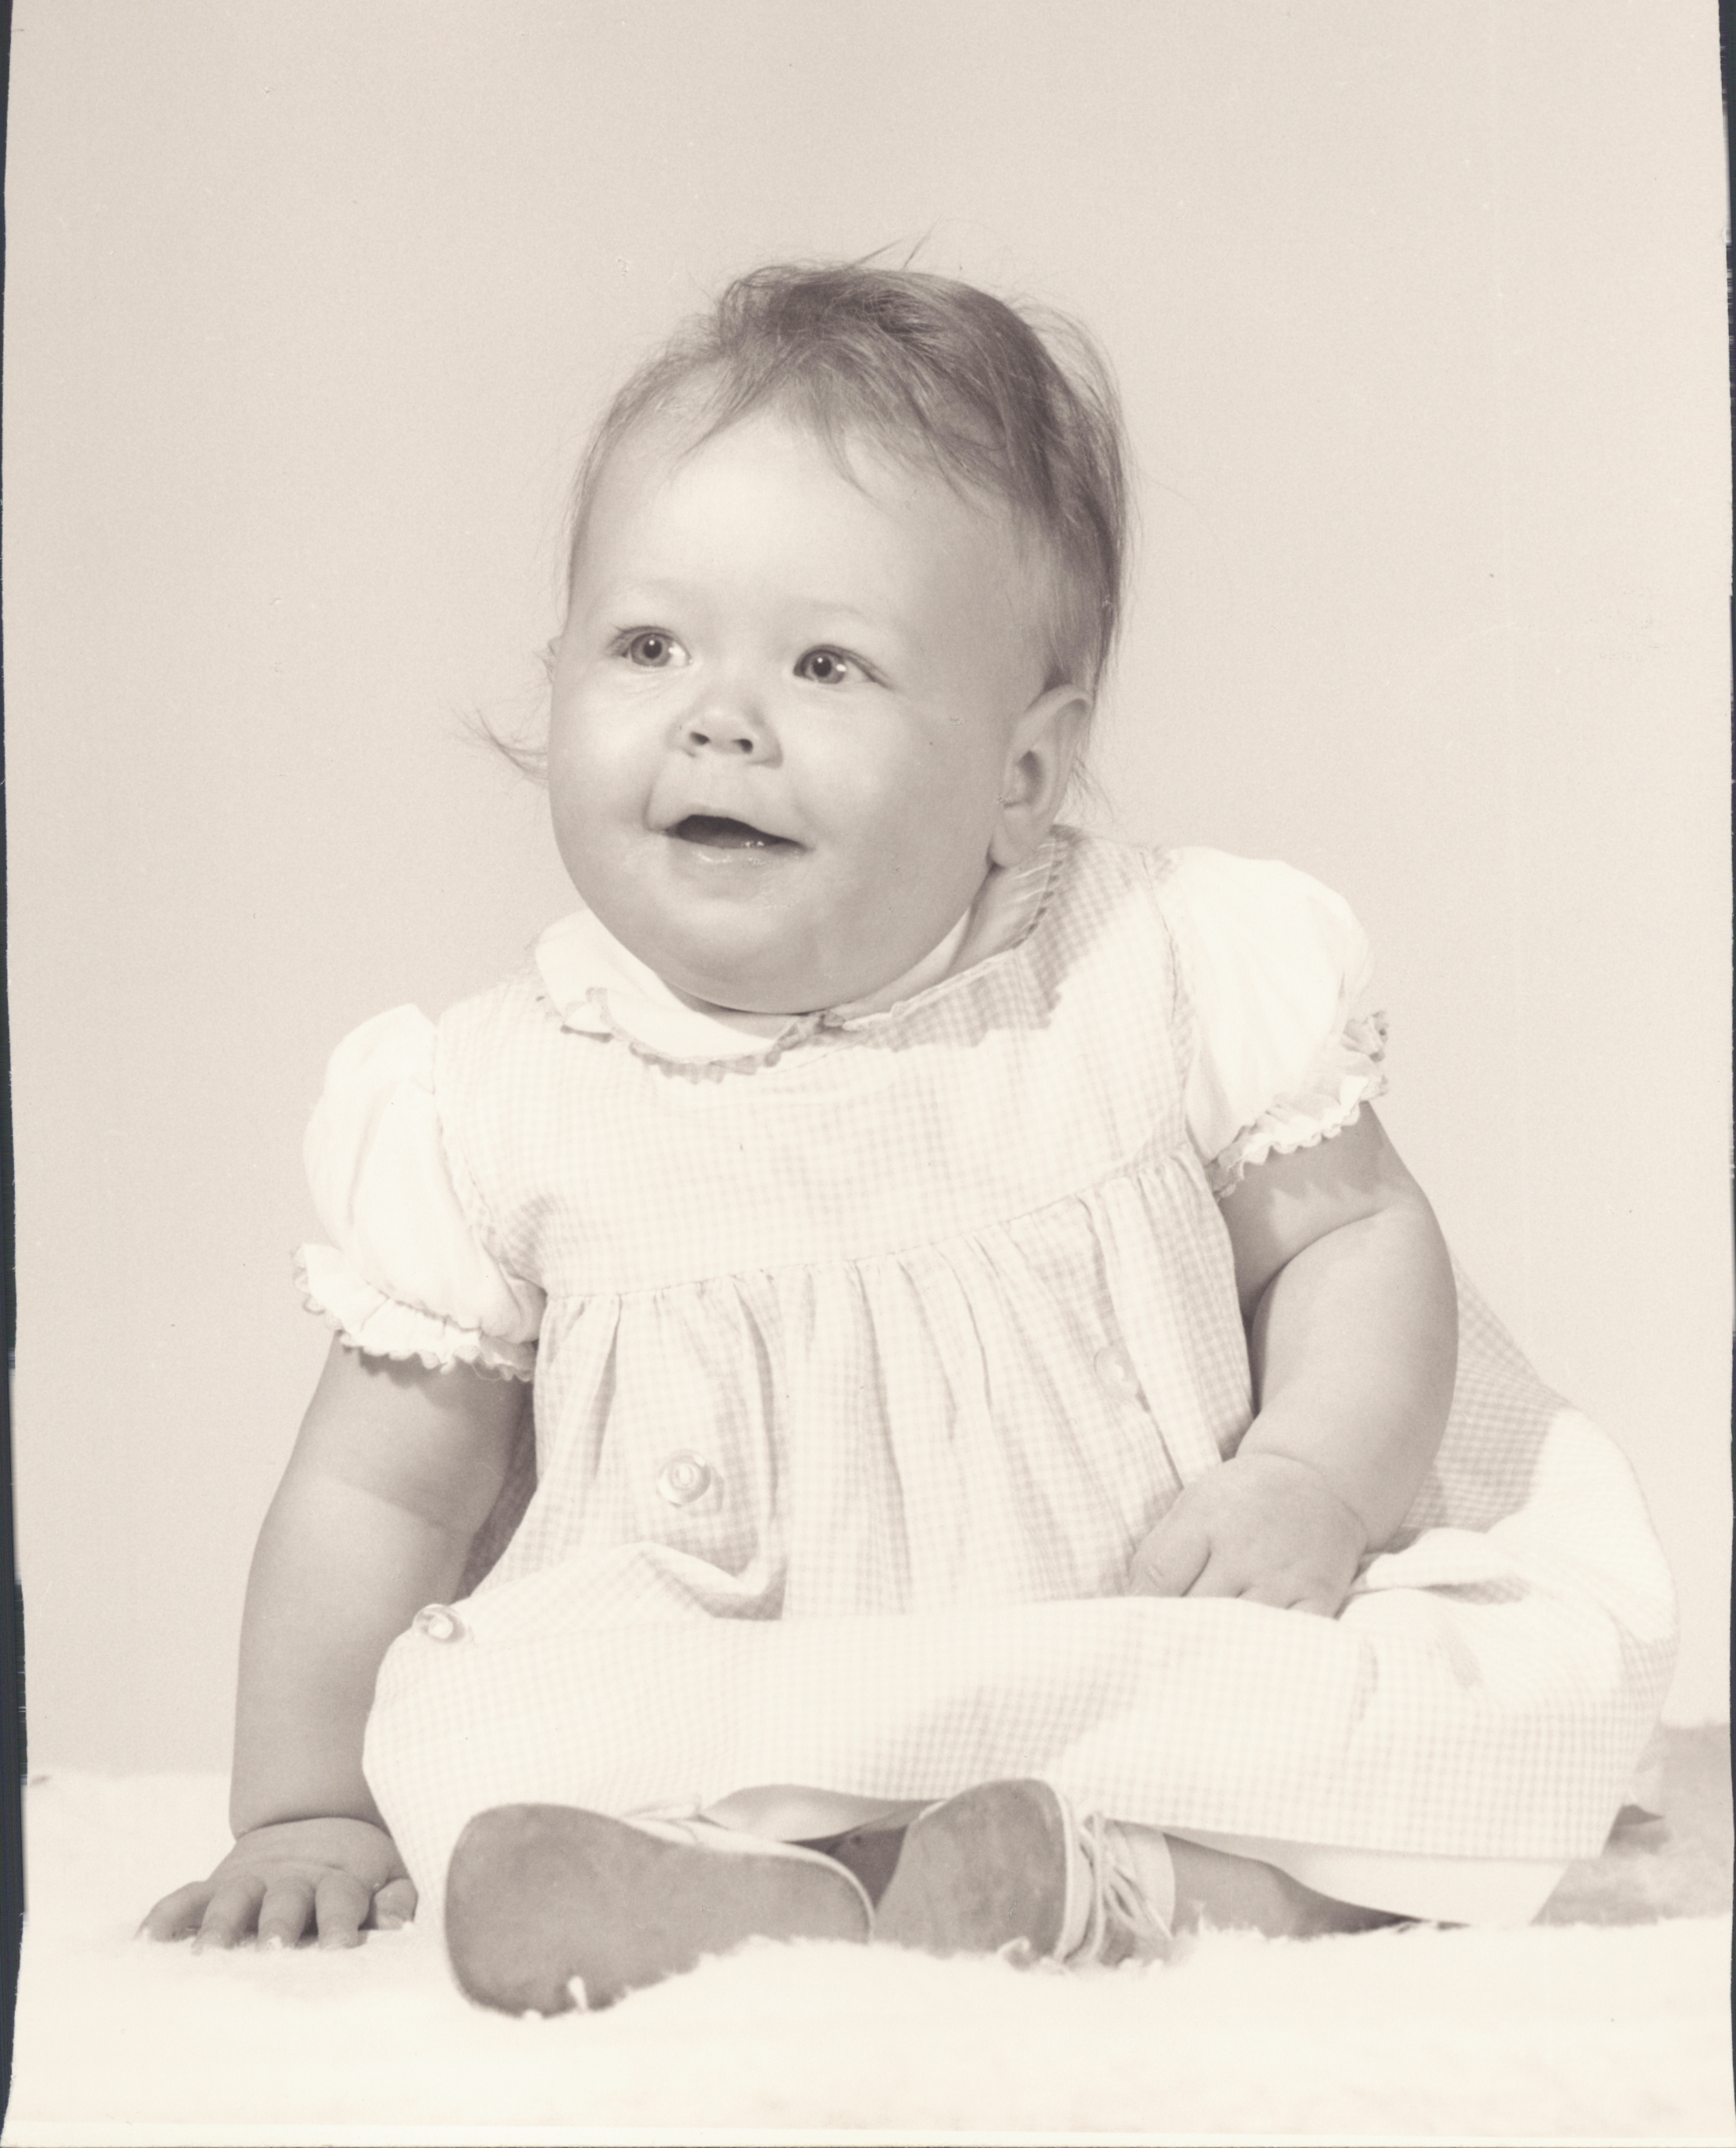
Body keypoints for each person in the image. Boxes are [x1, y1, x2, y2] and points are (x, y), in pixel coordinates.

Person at [143, 264, 1675, 2015]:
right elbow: (380, 1488)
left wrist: (1314, 1477)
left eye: (826, 664)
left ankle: (1140, 1881)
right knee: (526, 1724)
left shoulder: (1149, 970)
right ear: (555, 674)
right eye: (647, 646)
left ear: (1023, 774)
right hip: (735, 1692)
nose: (719, 715)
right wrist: (309, 1804)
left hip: (1139, 1649)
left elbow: (1349, 1233)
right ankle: (745, 1892)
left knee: (1404, 1723)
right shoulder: (495, 1103)